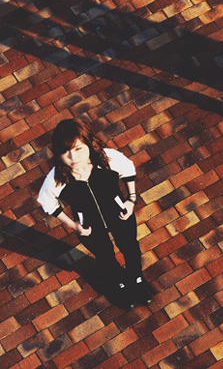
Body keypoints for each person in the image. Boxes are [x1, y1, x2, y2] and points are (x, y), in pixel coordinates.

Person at [37, 119, 153, 307]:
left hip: (119, 214)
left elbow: (128, 168)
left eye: (78, 149)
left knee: (130, 247)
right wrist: (73, 225)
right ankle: (118, 283)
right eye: (65, 152)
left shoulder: (107, 159)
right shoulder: (57, 176)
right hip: (89, 226)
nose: (73, 157)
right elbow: (46, 201)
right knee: (105, 255)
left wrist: (131, 200)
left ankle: (136, 278)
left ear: (89, 144)